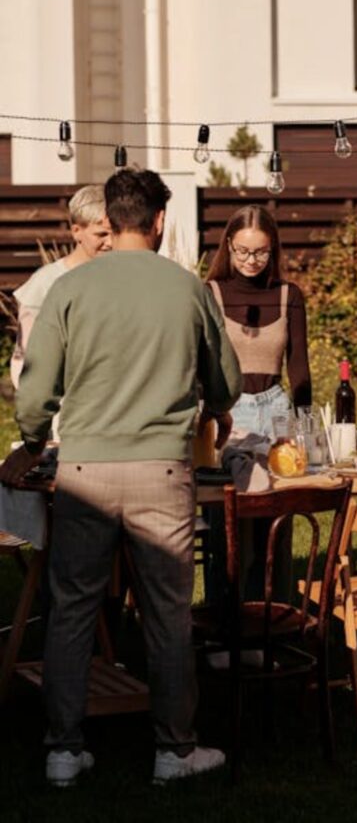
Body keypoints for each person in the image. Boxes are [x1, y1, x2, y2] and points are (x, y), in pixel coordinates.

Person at [0, 168, 242, 787]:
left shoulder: (71, 289)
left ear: (111, 218)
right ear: (159, 221)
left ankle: (62, 749)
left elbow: (34, 396)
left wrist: (31, 443)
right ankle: (173, 749)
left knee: (71, 610)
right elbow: (227, 385)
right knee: (166, 615)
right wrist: (212, 406)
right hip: (162, 467)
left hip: (83, 470)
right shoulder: (187, 289)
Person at [204, 204, 311, 602]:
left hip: (275, 411)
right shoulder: (210, 293)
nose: (251, 260)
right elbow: (203, 365)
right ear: (228, 247)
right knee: (226, 523)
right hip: (228, 413)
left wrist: (306, 430)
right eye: (243, 251)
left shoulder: (288, 296)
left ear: (274, 250)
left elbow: (299, 369)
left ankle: (274, 615)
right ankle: (224, 620)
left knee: (275, 524)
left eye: (261, 252)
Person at [10, 184, 112, 388]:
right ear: (76, 232)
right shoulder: (45, 284)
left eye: (114, 233)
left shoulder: (120, 276)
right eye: (101, 234)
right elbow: (25, 359)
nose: (110, 242)